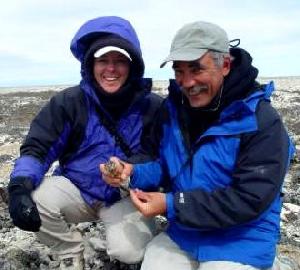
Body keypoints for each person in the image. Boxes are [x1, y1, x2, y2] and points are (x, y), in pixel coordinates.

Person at [100, 21, 295, 270]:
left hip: (242, 238)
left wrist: (171, 204)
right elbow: (162, 164)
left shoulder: (260, 121)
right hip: (186, 231)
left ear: (224, 65)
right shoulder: (172, 112)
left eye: (196, 69)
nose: (187, 82)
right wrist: (132, 171)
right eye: (179, 71)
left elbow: (250, 198)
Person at [8, 16, 162, 270]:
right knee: (34, 200)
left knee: (131, 252)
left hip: (124, 195)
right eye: (103, 60)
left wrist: (129, 171)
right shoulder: (68, 103)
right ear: (90, 64)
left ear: (133, 66)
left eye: (120, 61)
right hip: (76, 189)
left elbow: (159, 157)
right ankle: (70, 249)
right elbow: (38, 147)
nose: (110, 69)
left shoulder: (153, 107)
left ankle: (129, 236)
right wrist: (19, 186)